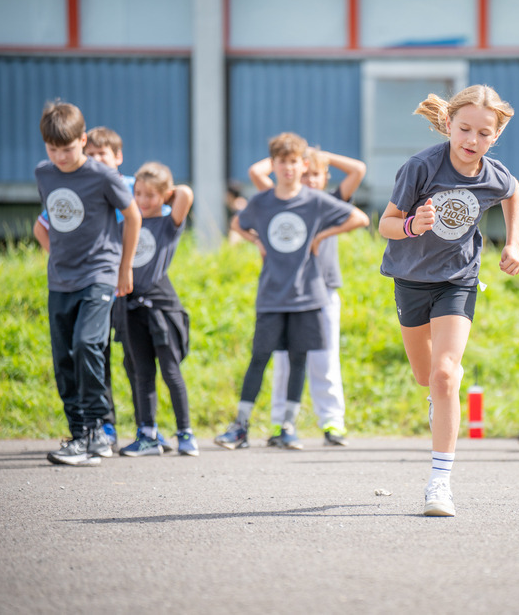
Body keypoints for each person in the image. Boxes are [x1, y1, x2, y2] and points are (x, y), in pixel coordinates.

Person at [379, 84, 519, 517]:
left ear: (495, 137)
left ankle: (439, 484)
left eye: (483, 134)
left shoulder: (493, 174)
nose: (472, 141)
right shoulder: (420, 167)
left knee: (444, 376)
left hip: (458, 280)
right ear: (448, 125)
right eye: (464, 130)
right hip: (410, 279)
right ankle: (440, 389)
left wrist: (513, 244)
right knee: (427, 378)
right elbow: (384, 223)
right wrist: (411, 226)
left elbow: (513, 192)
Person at [216, 133, 368, 451]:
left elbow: (359, 216)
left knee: (307, 359)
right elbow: (237, 222)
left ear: (305, 165)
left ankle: (295, 425)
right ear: (274, 165)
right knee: (264, 357)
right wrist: (257, 241)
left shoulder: (317, 200)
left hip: (312, 292)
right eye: (281, 162)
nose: (288, 168)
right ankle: (243, 425)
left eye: (294, 162)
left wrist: (321, 235)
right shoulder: (264, 199)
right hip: (273, 294)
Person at [32, 127, 164, 449]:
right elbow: (43, 225)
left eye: (103, 154)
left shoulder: (132, 187)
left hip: (124, 280)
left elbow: (168, 201)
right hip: (89, 281)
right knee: (93, 350)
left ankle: (147, 429)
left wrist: (125, 266)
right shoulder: (74, 183)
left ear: (118, 158)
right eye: (91, 155)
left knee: (134, 360)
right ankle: (104, 428)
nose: (96, 160)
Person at [114, 162, 197, 456]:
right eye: (138, 193)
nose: (143, 200)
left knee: (171, 371)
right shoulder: (124, 225)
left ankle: (185, 432)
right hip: (131, 307)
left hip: (161, 308)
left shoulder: (167, 225)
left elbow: (186, 194)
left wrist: (168, 193)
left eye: (151, 195)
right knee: (142, 373)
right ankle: (148, 433)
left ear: (164, 196)